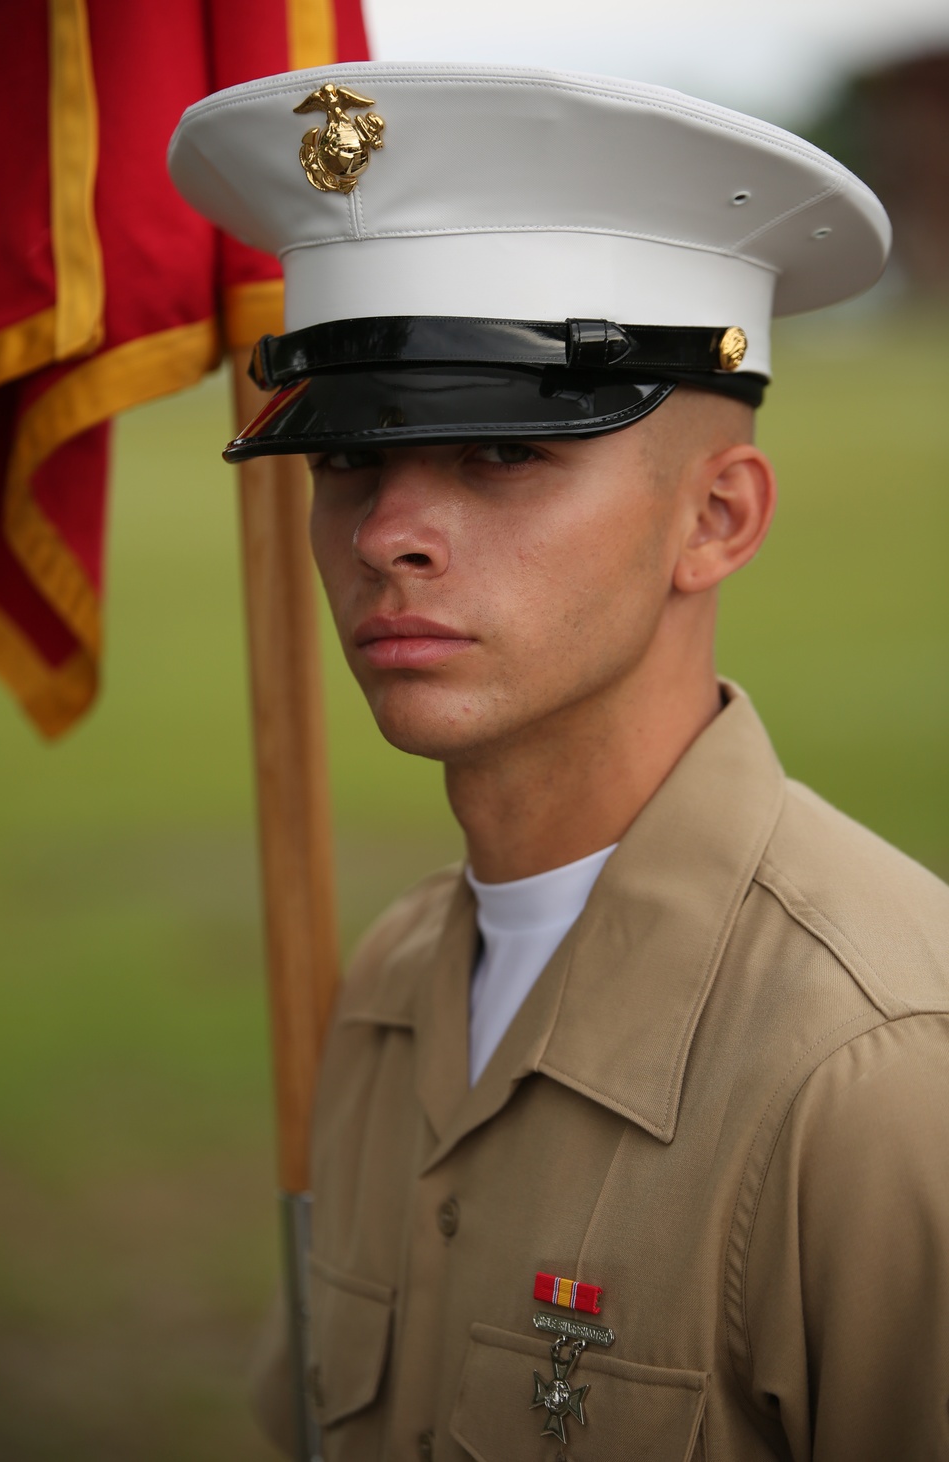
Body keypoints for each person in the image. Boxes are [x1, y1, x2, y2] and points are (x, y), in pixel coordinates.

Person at [169, 65, 949, 1461]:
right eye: (346, 455)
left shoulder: (881, 1072)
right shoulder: (394, 986)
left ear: (716, 516)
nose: (387, 530)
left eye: (504, 450)